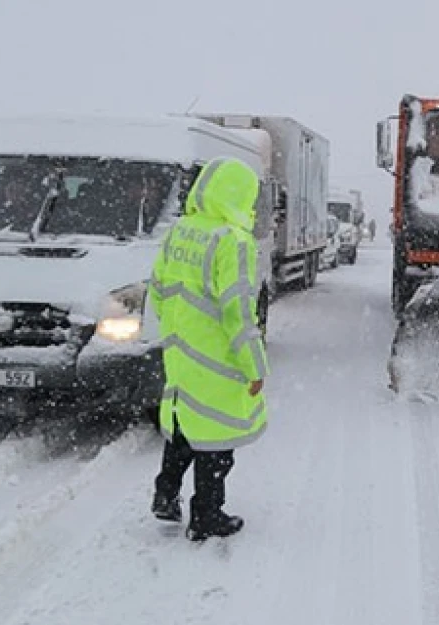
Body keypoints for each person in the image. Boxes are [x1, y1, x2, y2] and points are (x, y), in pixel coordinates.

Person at [147, 156, 270, 541]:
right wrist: (254, 367)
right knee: (217, 442)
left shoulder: (181, 230)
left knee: (185, 426)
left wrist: (176, 333)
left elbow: (159, 288)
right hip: (218, 358)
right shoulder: (232, 241)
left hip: (180, 351)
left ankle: (165, 495)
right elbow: (238, 311)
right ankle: (206, 516)